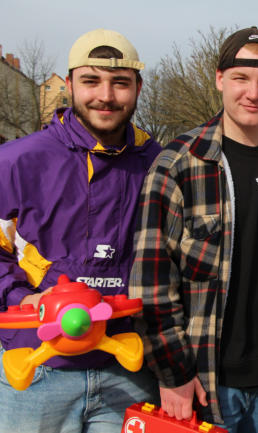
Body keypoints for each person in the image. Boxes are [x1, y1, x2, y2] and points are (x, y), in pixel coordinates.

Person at [129, 26, 258, 433]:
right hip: (203, 374)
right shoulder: (179, 163)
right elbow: (151, 281)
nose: (253, 93)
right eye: (240, 78)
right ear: (220, 79)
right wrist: (173, 372)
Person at [0, 29, 161, 432]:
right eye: (91, 81)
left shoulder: (159, 163)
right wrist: (21, 297)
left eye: (120, 82)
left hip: (128, 367)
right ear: (69, 84)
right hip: (37, 371)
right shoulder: (16, 160)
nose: (105, 96)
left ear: (138, 88)